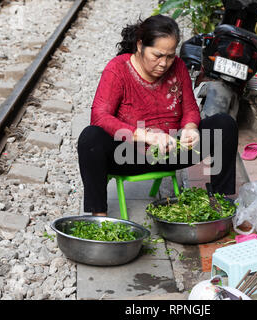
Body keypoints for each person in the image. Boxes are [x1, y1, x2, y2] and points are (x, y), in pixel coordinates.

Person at [77, 14, 238, 216]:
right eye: (157, 55)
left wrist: (190, 129)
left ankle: (221, 204)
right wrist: (146, 136)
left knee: (224, 124)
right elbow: (100, 117)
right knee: (90, 137)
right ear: (140, 45)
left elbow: (189, 108)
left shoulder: (178, 67)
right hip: (129, 156)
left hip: (171, 151)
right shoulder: (118, 69)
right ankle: (99, 217)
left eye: (170, 56)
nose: (164, 63)